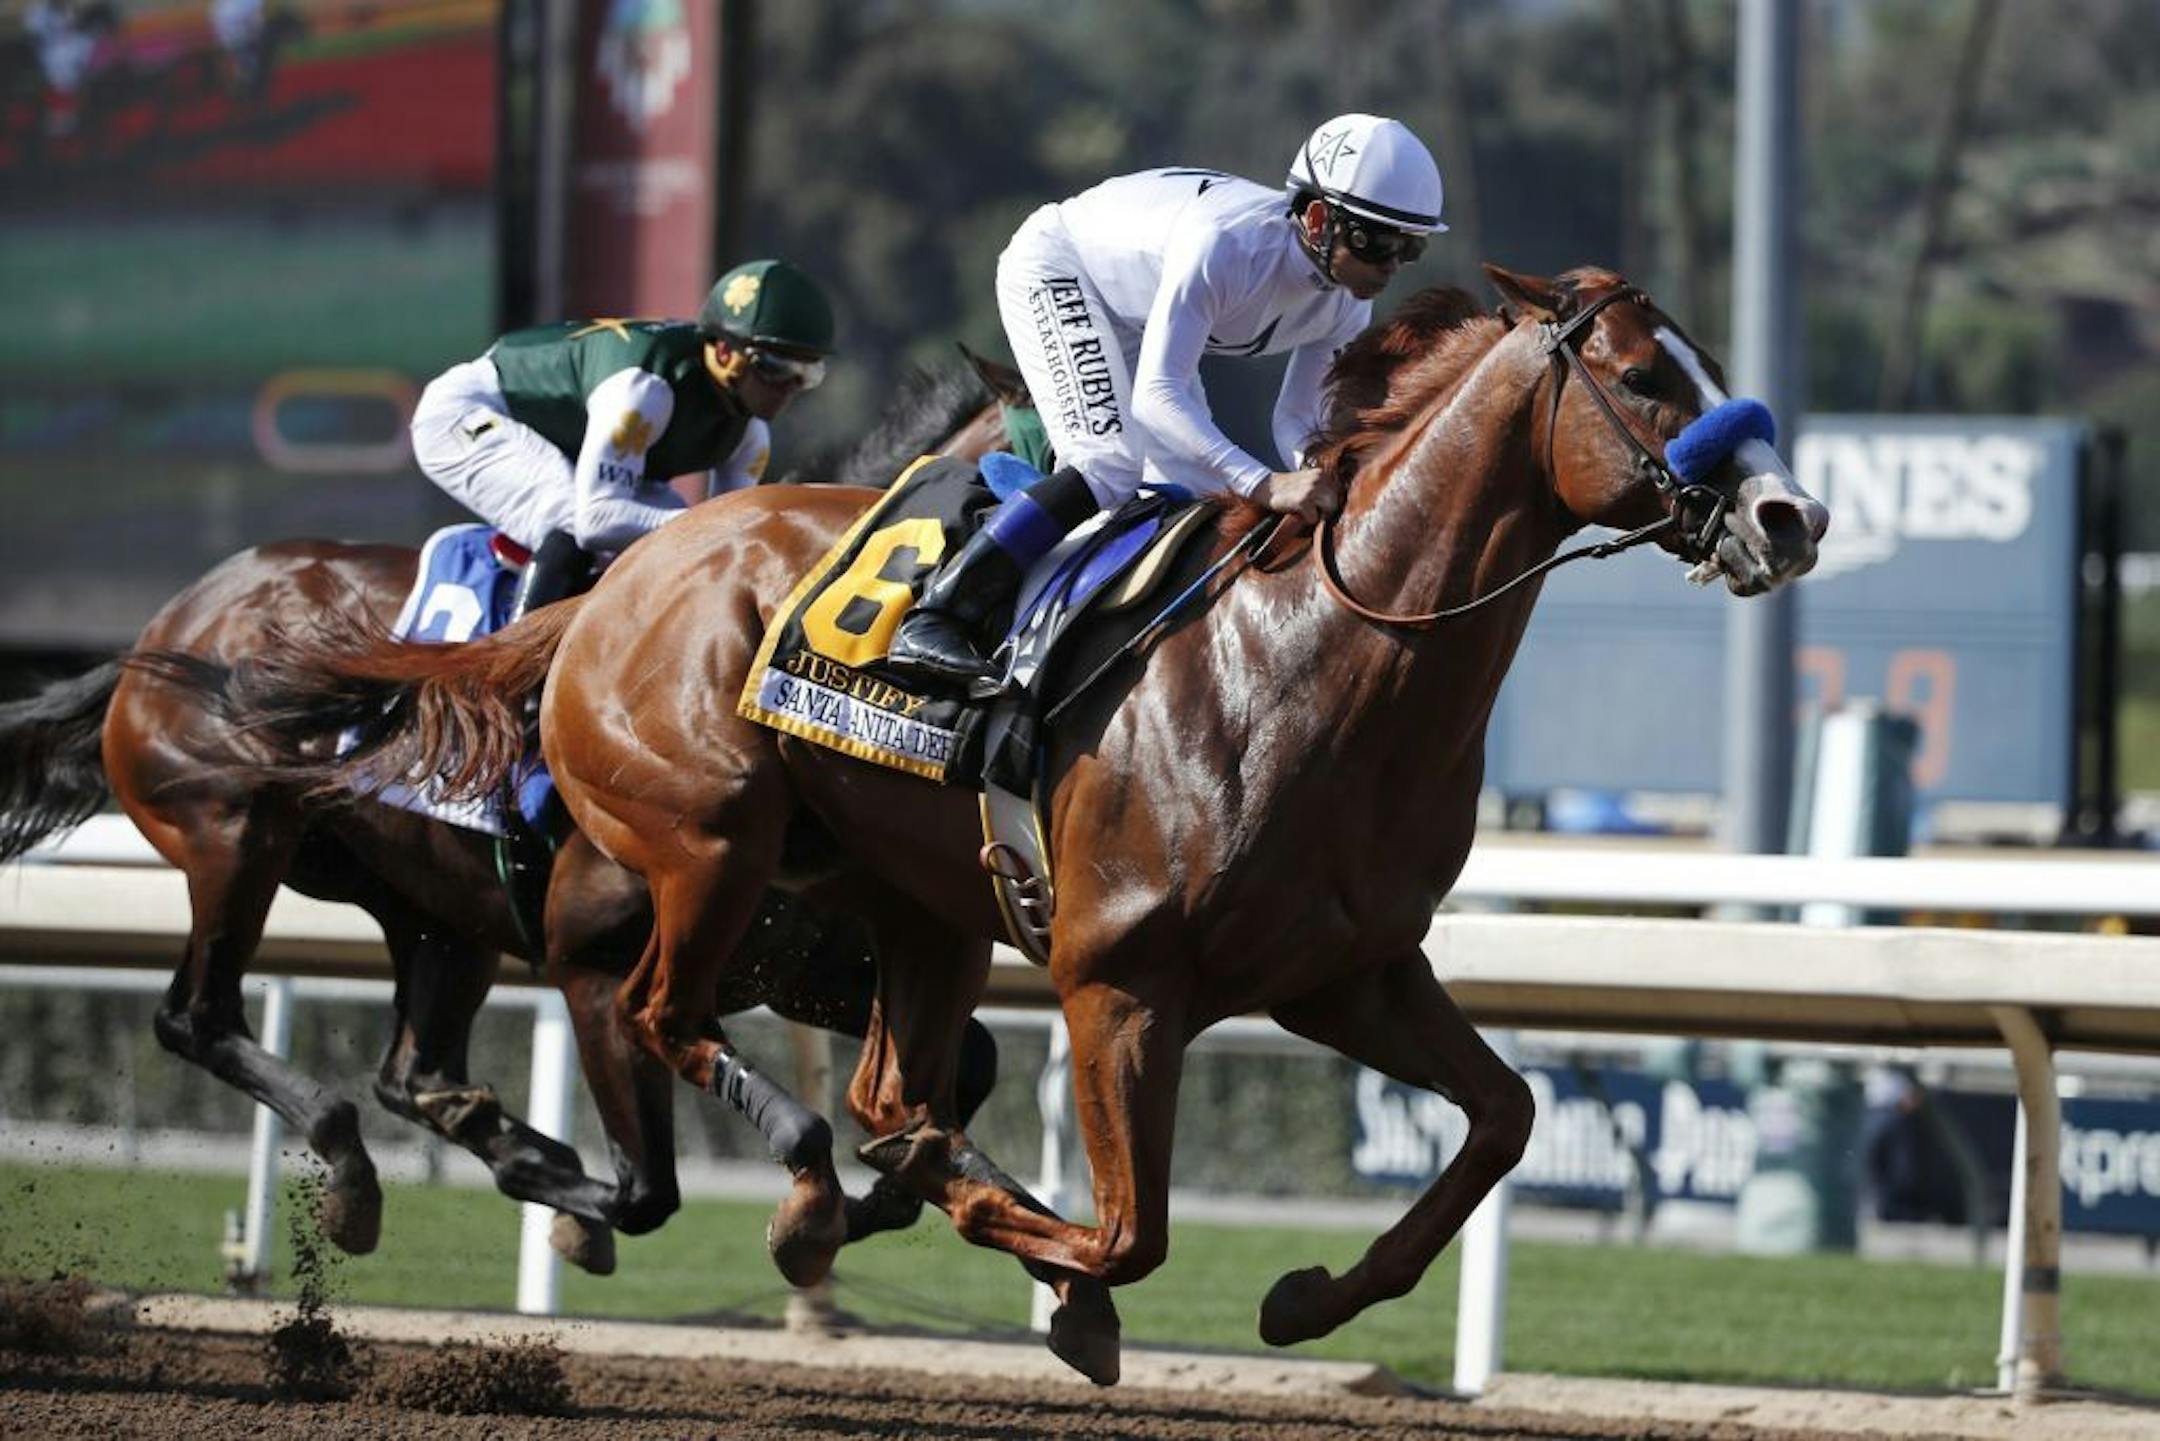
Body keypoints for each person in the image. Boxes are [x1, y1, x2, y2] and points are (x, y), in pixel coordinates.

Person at [883, 112, 1445, 691]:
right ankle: (936, 617)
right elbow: (1157, 397)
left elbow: (1295, 419)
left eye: (1411, 247)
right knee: (1108, 464)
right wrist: (1265, 485)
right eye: (1377, 241)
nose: (1391, 265)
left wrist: (1318, 474)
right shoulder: (1229, 247)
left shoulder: (1346, 304)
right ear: (1320, 218)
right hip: (1058, 267)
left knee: (1190, 495)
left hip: (1131, 308)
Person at [409, 258, 836, 620]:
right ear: (724, 352)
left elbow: (732, 540)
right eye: (777, 368)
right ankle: (508, 681)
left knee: (677, 533)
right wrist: (706, 528)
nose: (790, 388)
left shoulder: (750, 433)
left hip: (564, 443)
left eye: (807, 373)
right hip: (467, 414)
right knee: (569, 521)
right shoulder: (645, 391)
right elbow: (598, 520)